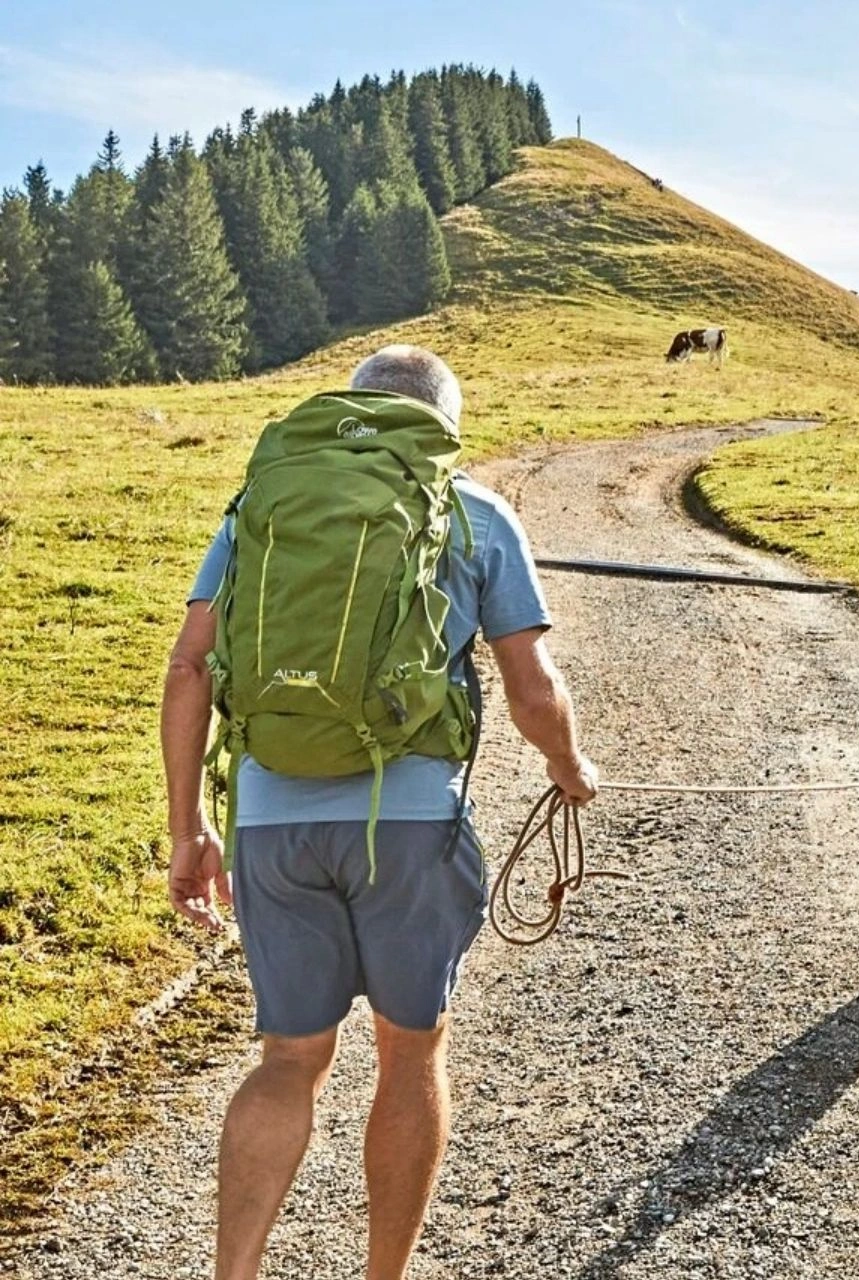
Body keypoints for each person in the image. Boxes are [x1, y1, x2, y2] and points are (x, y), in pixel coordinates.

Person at [160, 344, 598, 1280]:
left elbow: (189, 667)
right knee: (410, 1052)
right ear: (444, 426)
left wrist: (188, 829)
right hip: (406, 826)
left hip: (271, 818)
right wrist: (567, 766)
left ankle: (232, 1274)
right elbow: (530, 684)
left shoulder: (263, 508)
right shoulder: (473, 511)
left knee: (289, 1059)